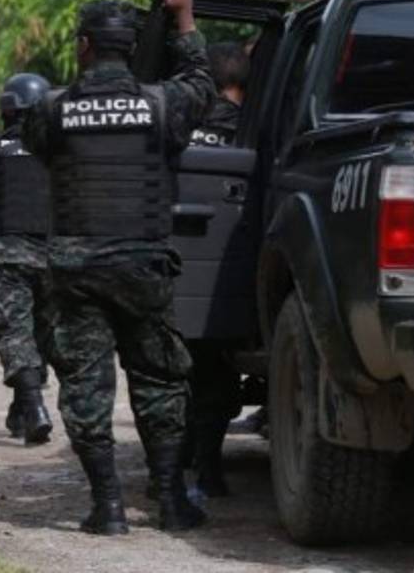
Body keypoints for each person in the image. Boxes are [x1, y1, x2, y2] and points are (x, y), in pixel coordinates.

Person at [23, 0, 215, 534]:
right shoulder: (163, 103)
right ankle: (172, 500)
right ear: (130, 46)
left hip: (77, 271)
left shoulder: (50, 109)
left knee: (87, 386)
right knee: (159, 381)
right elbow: (201, 84)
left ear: (84, 45)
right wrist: (184, 20)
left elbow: (38, 147)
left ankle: (107, 508)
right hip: (142, 265)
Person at [0, 74, 54, 446]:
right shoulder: (62, 149)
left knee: (16, 333)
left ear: (7, 108)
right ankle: (26, 406)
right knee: (43, 333)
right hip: (57, 257)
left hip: (8, 257)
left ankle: (32, 407)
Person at [185, 41, 249, 496]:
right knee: (217, 376)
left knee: (174, 374)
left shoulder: (178, 123)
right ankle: (208, 467)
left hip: (173, 271)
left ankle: (173, 465)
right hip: (230, 272)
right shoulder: (256, 128)